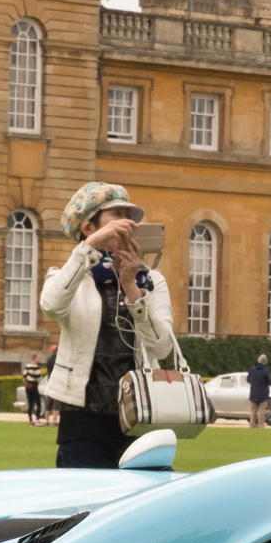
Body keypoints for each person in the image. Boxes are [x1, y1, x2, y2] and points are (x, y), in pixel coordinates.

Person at [40, 180, 176, 469]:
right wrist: (87, 249)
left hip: (140, 418)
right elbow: (51, 305)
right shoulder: (68, 278)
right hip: (82, 421)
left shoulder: (151, 281)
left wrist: (131, 288)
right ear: (89, 227)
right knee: (85, 508)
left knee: (147, 508)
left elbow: (162, 346)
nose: (127, 223)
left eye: (131, 216)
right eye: (117, 215)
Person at [245, 354, 271, 428]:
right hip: (263, 392)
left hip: (253, 392)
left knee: (253, 410)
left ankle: (252, 424)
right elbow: (269, 381)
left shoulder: (252, 369)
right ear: (265, 362)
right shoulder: (266, 370)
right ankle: (261, 425)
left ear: (258, 360)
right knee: (262, 410)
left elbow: (248, 379)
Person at [22, 355, 46, 425]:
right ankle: (37, 419)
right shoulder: (36, 367)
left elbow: (24, 376)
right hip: (34, 386)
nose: (39, 360)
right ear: (34, 359)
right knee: (38, 402)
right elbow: (38, 377)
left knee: (30, 403)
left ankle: (30, 419)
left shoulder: (27, 366)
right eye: (38, 358)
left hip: (27, 386)